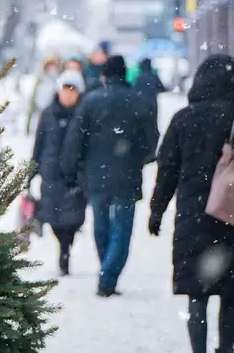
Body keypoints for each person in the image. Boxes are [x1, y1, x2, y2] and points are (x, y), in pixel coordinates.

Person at [147, 54, 234, 353]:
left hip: (194, 218)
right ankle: (226, 349)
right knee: (230, 292)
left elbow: (167, 170)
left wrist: (157, 210)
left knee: (197, 294)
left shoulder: (183, 119)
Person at [61, 55, 159, 296]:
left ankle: (106, 270)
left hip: (95, 177)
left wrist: (71, 171)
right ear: (125, 74)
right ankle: (109, 274)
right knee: (122, 229)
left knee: (101, 225)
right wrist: (139, 159)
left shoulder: (90, 102)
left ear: (104, 75)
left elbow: (75, 140)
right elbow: (151, 140)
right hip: (127, 175)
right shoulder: (138, 101)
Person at [30, 70, 86, 275]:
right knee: (53, 219)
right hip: (51, 174)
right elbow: (39, 144)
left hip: (74, 177)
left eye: (73, 90)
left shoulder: (83, 114)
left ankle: (65, 251)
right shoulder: (47, 114)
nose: (68, 94)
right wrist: (31, 171)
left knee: (73, 220)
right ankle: (63, 250)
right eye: (65, 89)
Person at [26, 55, 62, 135]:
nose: (52, 69)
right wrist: (28, 124)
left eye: (54, 66)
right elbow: (33, 100)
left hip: (54, 115)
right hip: (39, 113)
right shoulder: (41, 80)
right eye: (50, 66)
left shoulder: (60, 81)